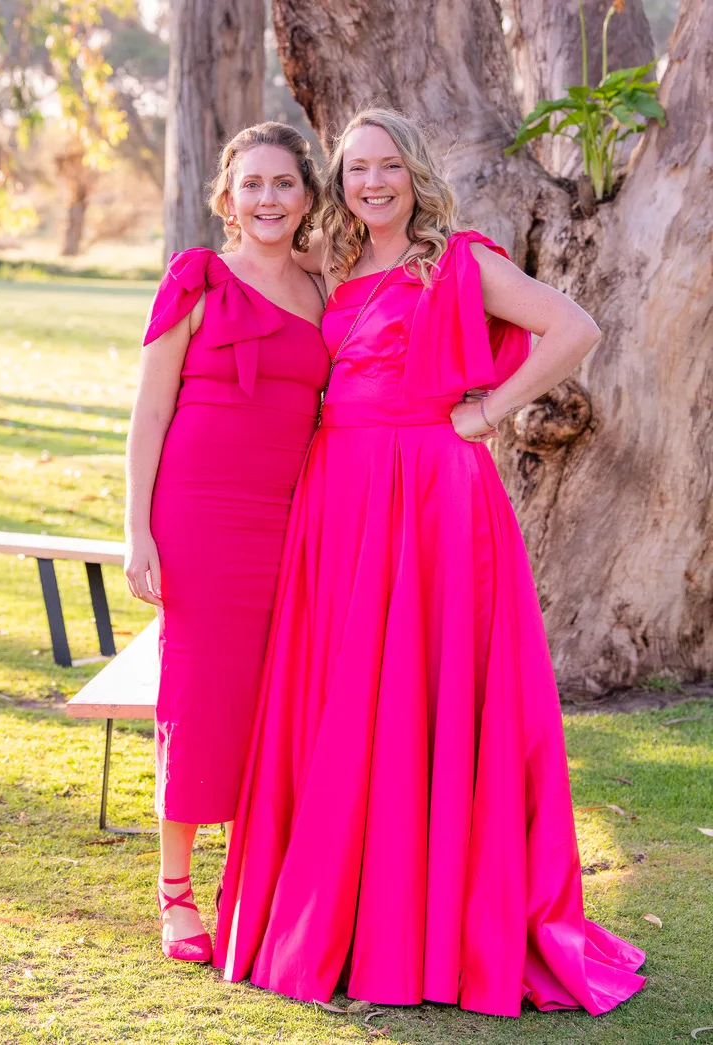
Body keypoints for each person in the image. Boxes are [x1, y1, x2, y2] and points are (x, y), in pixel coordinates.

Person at [213, 108, 646, 1016]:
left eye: (388, 166)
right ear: (341, 181)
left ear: (415, 172)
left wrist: (490, 413)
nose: (373, 182)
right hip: (339, 492)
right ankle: (348, 906)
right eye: (357, 169)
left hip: (433, 494)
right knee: (344, 694)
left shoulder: (455, 261)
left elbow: (573, 328)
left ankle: (432, 918)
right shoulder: (330, 263)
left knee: (424, 690)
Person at [124, 122, 330, 962]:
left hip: (291, 518)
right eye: (252, 184)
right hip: (199, 517)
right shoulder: (198, 279)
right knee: (200, 693)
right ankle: (174, 891)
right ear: (227, 197)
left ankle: (246, 878)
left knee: (275, 697)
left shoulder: (326, 285)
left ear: (308, 196)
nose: (269, 199)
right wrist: (136, 528)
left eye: (284, 183)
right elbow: (149, 409)